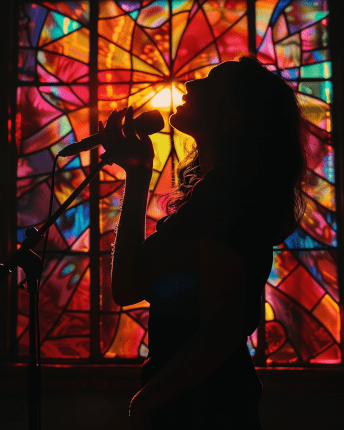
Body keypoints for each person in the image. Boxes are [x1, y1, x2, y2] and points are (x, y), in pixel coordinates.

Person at [100, 55, 308, 430]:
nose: (191, 85)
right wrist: (137, 175)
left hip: (206, 405)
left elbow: (220, 329)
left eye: (211, 82)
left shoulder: (230, 193)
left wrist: (144, 403)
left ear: (234, 117)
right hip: (185, 396)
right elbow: (128, 287)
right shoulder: (209, 194)